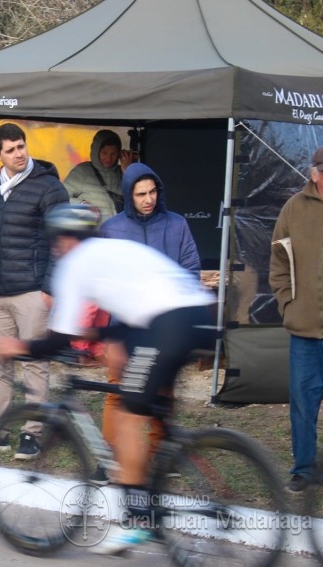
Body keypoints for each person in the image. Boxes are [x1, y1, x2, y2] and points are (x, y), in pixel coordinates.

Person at [0, 204, 216, 555]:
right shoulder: (112, 248)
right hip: (194, 316)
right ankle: (166, 460)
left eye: (56, 242)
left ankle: (137, 521)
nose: (56, 249)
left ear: (64, 241)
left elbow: (58, 339)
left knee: (127, 415)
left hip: (166, 324)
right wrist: (105, 339)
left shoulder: (75, 265)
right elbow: (133, 309)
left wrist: (17, 346)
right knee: (147, 402)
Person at [90, 162, 202, 484]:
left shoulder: (177, 225)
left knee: (162, 393)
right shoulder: (112, 229)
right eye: (141, 194)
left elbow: (191, 269)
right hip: (127, 325)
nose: (148, 199)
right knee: (117, 393)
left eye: (153, 192)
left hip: (166, 326)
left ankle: (158, 458)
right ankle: (109, 458)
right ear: (129, 195)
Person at [0, 122, 69, 459]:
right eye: (10, 149)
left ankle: (32, 433)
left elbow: (62, 241)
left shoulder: (49, 187)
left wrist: (50, 287)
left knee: (34, 363)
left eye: (21, 146)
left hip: (30, 291)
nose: (19, 153)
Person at [270, 143, 323, 496]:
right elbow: (278, 262)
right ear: (314, 174)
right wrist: (287, 305)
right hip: (304, 331)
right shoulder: (293, 208)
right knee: (303, 405)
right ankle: (304, 472)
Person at [63, 129, 134, 224]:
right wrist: (81, 204)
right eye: (104, 153)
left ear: (119, 154)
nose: (109, 158)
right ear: (96, 151)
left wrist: (128, 172)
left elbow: (138, 201)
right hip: (93, 234)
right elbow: (59, 198)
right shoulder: (82, 171)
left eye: (113, 154)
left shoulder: (123, 173)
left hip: (119, 234)